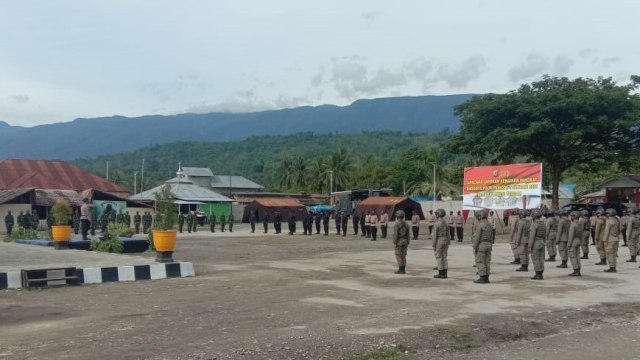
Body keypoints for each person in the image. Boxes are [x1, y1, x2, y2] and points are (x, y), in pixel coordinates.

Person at [472, 210, 493, 284]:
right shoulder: (489, 225)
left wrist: (474, 247)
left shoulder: (480, 225)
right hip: (489, 244)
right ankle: (487, 278)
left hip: (481, 245)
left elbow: (477, 237)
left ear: (480, 216)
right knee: (487, 261)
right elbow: (492, 237)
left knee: (480, 261)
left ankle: (482, 277)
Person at [528, 210, 546, 280]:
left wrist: (530, 246)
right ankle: (541, 273)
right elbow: (544, 235)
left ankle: (538, 274)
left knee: (536, 258)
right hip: (542, 242)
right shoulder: (543, 224)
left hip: (536, 243)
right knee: (541, 258)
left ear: (534, 216)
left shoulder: (534, 224)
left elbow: (532, 236)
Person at [433, 209, 450, 279]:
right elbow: (448, 234)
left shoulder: (437, 223)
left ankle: (441, 273)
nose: (435, 215)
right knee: (444, 257)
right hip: (445, 240)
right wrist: (448, 242)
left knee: (439, 257)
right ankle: (445, 274)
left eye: (436, 214)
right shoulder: (446, 223)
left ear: (438, 215)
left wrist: (433, 244)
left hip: (439, 240)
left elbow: (434, 235)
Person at [392, 210, 410, 274]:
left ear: (397, 216)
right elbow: (408, 234)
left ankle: (400, 270)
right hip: (405, 241)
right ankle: (403, 269)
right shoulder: (406, 224)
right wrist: (408, 242)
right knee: (403, 256)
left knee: (398, 255)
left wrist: (394, 242)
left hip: (399, 242)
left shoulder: (397, 224)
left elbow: (395, 234)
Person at [603, 208, 620, 273]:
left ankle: (612, 267)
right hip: (616, 238)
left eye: (607, 213)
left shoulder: (609, 221)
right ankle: (614, 267)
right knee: (614, 254)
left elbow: (607, 231)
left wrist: (605, 240)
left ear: (609, 214)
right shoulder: (616, 220)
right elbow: (619, 229)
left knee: (609, 254)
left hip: (610, 239)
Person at [567, 211, 583, 276]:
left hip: (573, 241)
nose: (571, 217)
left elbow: (571, 235)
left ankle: (575, 270)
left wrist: (569, 244)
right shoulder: (580, 224)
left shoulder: (573, 224)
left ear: (574, 216)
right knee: (577, 256)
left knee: (573, 256)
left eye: (571, 216)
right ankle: (578, 270)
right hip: (578, 240)